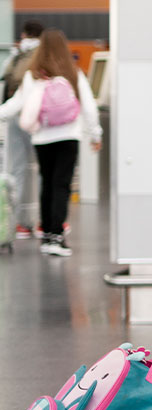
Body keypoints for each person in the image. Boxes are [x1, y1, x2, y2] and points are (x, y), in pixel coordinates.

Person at [0, 29, 101, 257]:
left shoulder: (33, 75)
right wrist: (96, 135)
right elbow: (89, 107)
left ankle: (47, 235)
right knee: (61, 185)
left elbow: (16, 104)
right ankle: (57, 236)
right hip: (68, 137)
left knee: (47, 183)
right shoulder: (73, 73)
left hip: (42, 138)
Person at [2, 20, 43, 239]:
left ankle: (17, 222)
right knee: (42, 170)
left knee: (16, 169)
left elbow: (6, 75)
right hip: (36, 119)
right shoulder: (43, 56)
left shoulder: (19, 55)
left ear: (25, 34)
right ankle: (41, 222)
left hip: (17, 115)